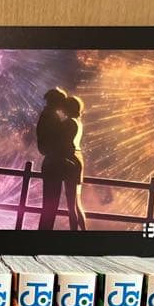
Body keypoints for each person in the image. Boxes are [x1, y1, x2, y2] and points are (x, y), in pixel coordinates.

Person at [36, 88, 68, 230]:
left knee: (49, 206)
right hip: (54, 165)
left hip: (49, 164)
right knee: (51, 206)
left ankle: (44, 232)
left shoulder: (46, 116)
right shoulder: (52, 118)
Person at [60, 95, 87, 231]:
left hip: (70, 160)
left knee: (71, 205)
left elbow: (64, 143)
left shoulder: (69, 122)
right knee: (77, 202)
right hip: (78, 158)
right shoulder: (78, 122)